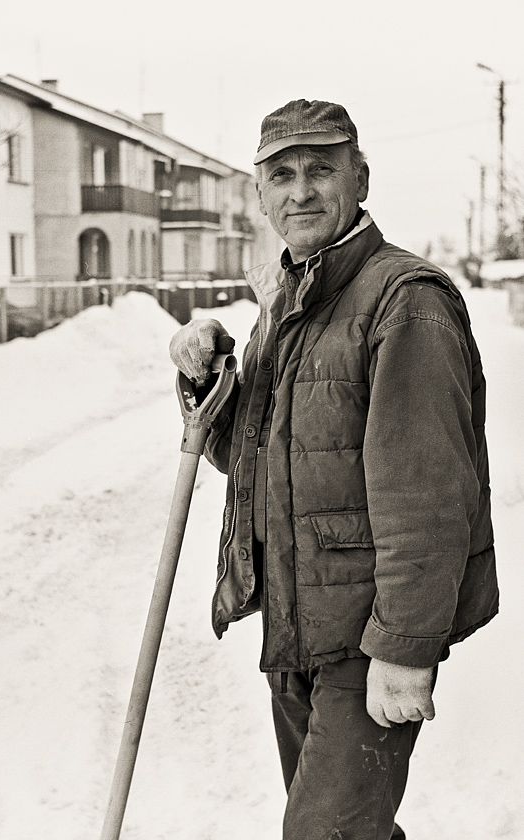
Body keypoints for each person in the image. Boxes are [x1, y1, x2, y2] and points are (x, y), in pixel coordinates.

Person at [168, 99, 498, 840]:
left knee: (324, 834)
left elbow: (428, 496)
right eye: (279, 174)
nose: (300, 190)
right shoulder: (284, 300)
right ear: (259, 196)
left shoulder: (403, 300)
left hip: (367, 636)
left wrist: (405, 653)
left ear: (360, 179)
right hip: (295, 628)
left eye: (322, 168)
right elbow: (244, 458)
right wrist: (206, 382)